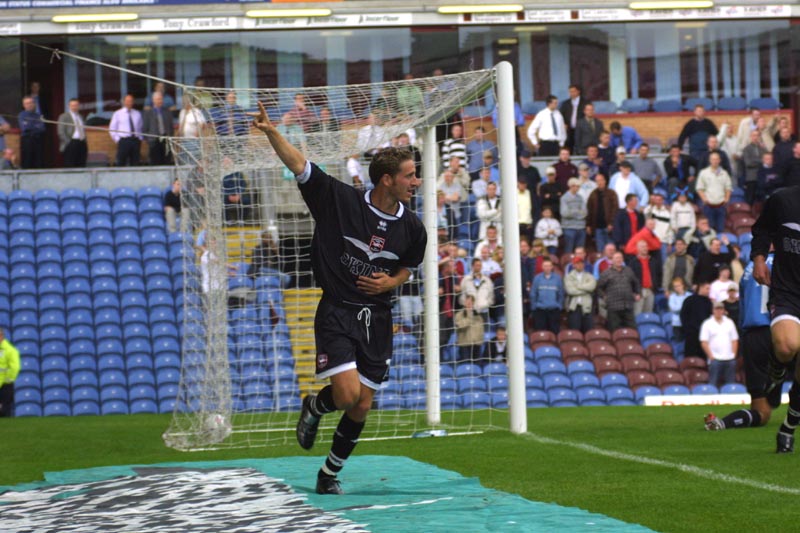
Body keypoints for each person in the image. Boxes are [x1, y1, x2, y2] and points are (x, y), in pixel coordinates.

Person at [250, 100, 427, 493]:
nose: (416, 181)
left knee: (363, 404)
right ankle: (314, 405)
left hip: (377, 319)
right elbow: (301, 166)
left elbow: (407, 268)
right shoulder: (340, 199)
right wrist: (272, 131)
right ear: (386, 180)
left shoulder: (413, 227)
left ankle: (328, 475)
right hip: (337, 310)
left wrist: (389, 283)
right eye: (410, 176)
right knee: (347, 395)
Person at [704, 255, 782, 431]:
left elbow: (743, 306)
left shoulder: (748, 268)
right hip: (779, 329)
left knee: (761, 413)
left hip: (752, 335)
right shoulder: (786, 260)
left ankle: (722, 423)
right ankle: (779, 382)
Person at [750, 185, 800, 452]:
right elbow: (762, 229)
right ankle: (776, 371)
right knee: (786, 346)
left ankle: (788, 428)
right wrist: (759, 258)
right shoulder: (783, 199)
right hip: (787, 291)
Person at [700, 301, 739, 389]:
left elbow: (735, 340)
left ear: (723, 310)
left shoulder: (729, 322)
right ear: (713, 310)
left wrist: (733, 355)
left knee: (731, 385)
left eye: (720, 309)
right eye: (716, 309)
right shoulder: (707, 324)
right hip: (715, 359)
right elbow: (704, 342)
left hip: (729, 359)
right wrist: (711, 357)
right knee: (713, 384)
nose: (718, 311)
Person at [597, 251, 639, 331]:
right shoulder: (606, 273)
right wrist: (604, 296)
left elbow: (636, 283)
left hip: (628, 306)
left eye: (620, 258)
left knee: (632, 330)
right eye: (616, 258)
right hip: (613, 307)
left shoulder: (628, 271)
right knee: (614, 331)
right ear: (612, 260)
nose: (619, 260)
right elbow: (599, 288)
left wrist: (637, 293)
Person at [695, 151, 733, 234]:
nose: (715, 161)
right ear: (709, 160)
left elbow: (728, 188)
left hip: (721, 206)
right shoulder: (704, 173)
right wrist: (704, 199)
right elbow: (699, 188)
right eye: (713, 159)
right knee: (709, 230)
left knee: (720, 229)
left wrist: (726, 199)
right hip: (708, 206)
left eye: (716, 159)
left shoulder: (724, 173)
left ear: (719, 160)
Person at [530, 258, 564, 334]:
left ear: (552, 267)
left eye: (549, 266)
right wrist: (534, 307)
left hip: (554, 310)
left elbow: (561, 293)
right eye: (545, 266)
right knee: (541, 333)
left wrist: (559, 306)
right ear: (542, 267)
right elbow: (533, 293)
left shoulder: (557, 278)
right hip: (540, 310)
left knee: (554, 333)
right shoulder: (537, 278)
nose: (547, 268)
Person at [680, 281, 713, 359]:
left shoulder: (708, 302)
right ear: (701, 288)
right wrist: (687, 329)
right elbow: (683, 315)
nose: (709, 291)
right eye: (707, 288)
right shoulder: (689, 300)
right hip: (691, 334)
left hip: (704, 335)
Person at [109, 94, 143, 166]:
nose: (129, 103)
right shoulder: (117, 113)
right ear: (124, 102)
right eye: (127, 101)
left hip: (135, 141)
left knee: (135, 163)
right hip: (124, 141)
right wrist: (118, 140)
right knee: (121, 163)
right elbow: (112, 129)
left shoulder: (137, 113)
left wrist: (140, 138)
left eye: (131, 101)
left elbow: (140, 127)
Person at [628, 239, 661, 315]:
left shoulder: (653, 261)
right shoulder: (632, 263)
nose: (645, 248)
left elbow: (659, 274)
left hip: (650, 290)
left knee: (648, 313)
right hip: (639, 292)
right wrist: (634, 293)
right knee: (638, 314)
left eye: (646, 246)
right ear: (638, 249)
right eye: (642, 247)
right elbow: (629, 280)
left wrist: (655, 286)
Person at [585, 174, 617, 252]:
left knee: (611, 249)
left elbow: (615, 209)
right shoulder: (593, 194)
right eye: (597, 181)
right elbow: (589, 210)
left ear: (605, 181)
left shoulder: (611, 193)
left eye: (601, 180)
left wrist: (611, 223)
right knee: (600, 249)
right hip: (597, 227)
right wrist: (588, 225)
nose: (599, 182)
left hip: (608, 226)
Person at [564, 256, 596, 333]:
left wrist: (577, 287)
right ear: (574, 265)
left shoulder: (589, 276)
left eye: (581, 263)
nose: (579, 265)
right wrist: (585, 290)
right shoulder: (569, 277)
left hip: (587, 306)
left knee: (588, 331)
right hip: (574, 307)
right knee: (575, 331)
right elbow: (570, 291)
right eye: (577, 263)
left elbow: (592, 287)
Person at [142, 91, 174, 165]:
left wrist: (170, 137)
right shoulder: (148, 113)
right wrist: (148, 140)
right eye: (158, 99)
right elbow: (145, 128)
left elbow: (170, 127)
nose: (160, 101)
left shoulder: (167, 112)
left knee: (167, 160)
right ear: (153, 100)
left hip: (166, 140)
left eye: (161, 99)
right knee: (155, 161)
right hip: (154, 141)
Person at [57, 98, 88, 168]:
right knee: (70, 165)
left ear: (79, 106)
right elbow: (60, 132)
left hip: (82, 142)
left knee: (82, 164)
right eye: (72, 105)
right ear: (69, 106)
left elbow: (83, 129)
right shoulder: (64, 116)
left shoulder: (80, 116)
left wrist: (84, 140)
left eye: (76, 105)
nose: (74, 107)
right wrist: (68, 142)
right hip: (71, 143)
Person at [455, 294, 485, 364]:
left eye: (471, 302)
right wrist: (469, 315)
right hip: (464, 345)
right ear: (464, 302)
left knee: (477, 366)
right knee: (466, 366)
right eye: (467, 301)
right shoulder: (459, 315)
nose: (469, 304)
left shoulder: (478, 315)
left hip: (476, 345)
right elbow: (460, 325)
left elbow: (481, 329)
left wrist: (479, 341)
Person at [177, 98, 207, 165]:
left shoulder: (196, 111)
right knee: (185, 159)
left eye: (186, 102)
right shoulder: (182, 112)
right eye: (183, 102)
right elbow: (181, 124)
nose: (184, 103)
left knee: (194, 158)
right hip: (183, 140)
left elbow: (202, 124)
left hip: (194, 140)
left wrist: (197, 133)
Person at [560, 178, 587, 253]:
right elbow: (565, 213)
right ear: (571, 186)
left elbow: (584, 213)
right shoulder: (564, 198)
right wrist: (578, 212)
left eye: (579, 186)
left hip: (581, 227)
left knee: (580, 251)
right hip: (569, 228)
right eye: (576, 186)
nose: (578, 188)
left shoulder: (580, 198)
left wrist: (573, 212)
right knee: (569, 250)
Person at [668, 276, 691, 361]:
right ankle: (678, 359)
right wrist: (685, 307)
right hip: (677, 323)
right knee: (678, 342)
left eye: (678, 285)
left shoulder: (689, 295)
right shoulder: (672, 297)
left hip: (688, 323)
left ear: (683, 285)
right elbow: (674, 308)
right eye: (675, 286)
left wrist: (683, 308)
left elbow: (691, 308)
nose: (677, 288)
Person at [19, 95, 46, 169]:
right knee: (27, 161)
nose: (29, 105)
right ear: (24, 105)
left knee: (38, 161)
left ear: (34, 104)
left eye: (31, 102)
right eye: (27, 103)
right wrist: (36, 126)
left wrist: (31, 125)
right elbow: (25, 128)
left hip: (37, 140)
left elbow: (42, 128)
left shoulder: (38, 115)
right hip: (27, 140)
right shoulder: (22, 115)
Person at [560, 84, 588, 152]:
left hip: (581, 130)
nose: (571, 93)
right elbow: (561, 116)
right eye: (570, 92)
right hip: (569, 131)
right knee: (569, 148)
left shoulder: (585, 102)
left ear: (578, 91)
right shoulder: (565, 103)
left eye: (573, 91)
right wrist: (564, 124)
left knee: (580, 149)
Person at [0, 328, 20, 417]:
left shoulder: (10, 350)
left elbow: (15, 367)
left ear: (1, 336)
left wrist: (8, 379)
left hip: (5, 385)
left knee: (4, 410)